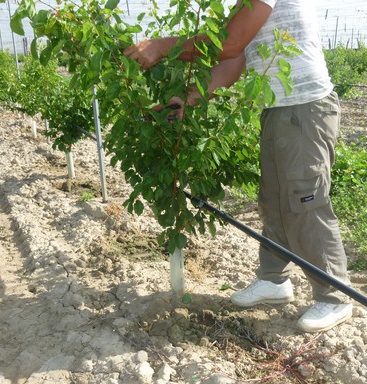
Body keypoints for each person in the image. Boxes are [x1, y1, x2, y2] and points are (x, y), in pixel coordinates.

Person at [124, 0, 352, 333]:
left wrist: (161, 46)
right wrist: (187, 99)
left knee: (305, 200)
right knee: (273, 198)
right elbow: (233, 62)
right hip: (278, 108)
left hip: (305, 106)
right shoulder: (246, 6)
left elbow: (229, 43)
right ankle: (274, 280)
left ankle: (335, 296)